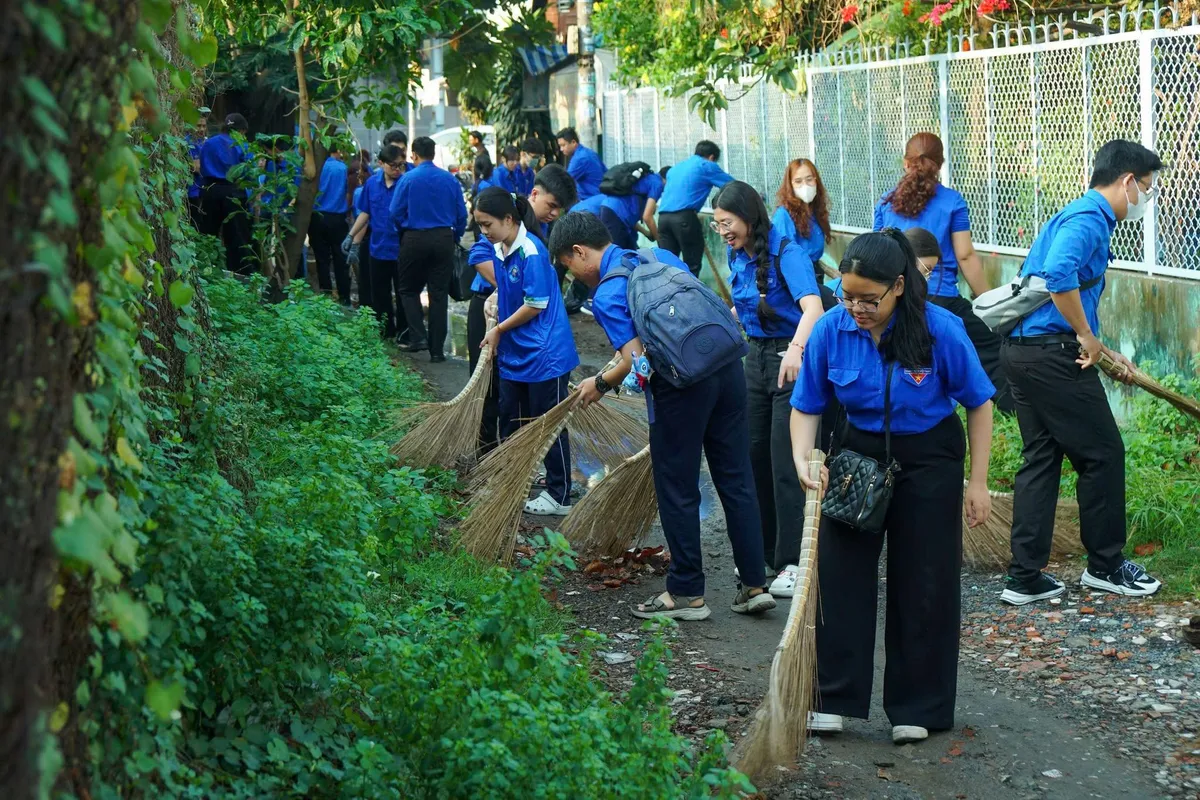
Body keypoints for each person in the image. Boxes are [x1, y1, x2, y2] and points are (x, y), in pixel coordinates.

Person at [789, 229, 995, 745]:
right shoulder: (832, 329)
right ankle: (833, 698)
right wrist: (801, 458)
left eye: (868, 298)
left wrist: (978, 483)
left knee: (924, 580)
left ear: (898, 287)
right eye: (847, 295)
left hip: (929, 458)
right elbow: (807, 404)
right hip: (857, 454)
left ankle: (917, 706)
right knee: (841, 574)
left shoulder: (940, 330)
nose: (856, 307)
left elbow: (979, 403)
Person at [549, 211, 777, 620]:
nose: (574, 276)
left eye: (569, 266)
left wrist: (606, 383)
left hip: (683, 387)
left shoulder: (607, 292)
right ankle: (755, 584)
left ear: (580, 252)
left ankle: (687, 593)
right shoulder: (660, 256)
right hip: (727, 368)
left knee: (677, 487)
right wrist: (605, 380)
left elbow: (637, 363)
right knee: (737, 478)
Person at [1000, 140, 1162, 605]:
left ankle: (1024, 576)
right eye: (1145, 189)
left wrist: (1105, 350)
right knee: (1104, 454)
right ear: (1127, 181)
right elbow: (1059, 275)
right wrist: (1086, 336)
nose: (1144, 200)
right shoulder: (1090, 219)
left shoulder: (1075, 214)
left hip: (1024, 352)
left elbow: (1067, 290)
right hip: (1052, 358)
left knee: (1043, 458)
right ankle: (1107, 566)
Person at [712, 180, 824, 596]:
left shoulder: (787, 252)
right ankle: (764, 555)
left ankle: (794, 562)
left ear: (748, 216)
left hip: (789, 361)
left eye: (728, 222)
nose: (723, 231)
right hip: (753, 360)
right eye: (717, 225)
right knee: (752, 456)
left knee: (784, 461)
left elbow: (813, 308)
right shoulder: (737, 252)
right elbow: (742, 306)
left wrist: (796, 350)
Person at [873, 132, 1010, 413]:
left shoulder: (885, 203)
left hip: (895, 300)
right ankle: (1012, 408)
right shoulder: (952, 201)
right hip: (942, 298)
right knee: (992, 347)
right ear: (941, 164)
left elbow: (878, 255)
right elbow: (965, 255)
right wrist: (989, 303)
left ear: (905, 163)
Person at [476, 188, 580, 515]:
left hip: (544, 354)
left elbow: (535, 304)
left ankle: (559, 494)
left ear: (509, 219)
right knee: (511, 418)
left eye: (487, 224)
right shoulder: (500, 247)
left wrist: (498, 329)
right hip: (515, 351)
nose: (483, 231)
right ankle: (514, 478)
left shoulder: (532, 251)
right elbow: (508, 290)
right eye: (479, 225)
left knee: (547, 423)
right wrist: (496, 306)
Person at [390, 136, 468, 362]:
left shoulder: (407, 179)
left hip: (414, 238)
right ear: (433, 154)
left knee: (407, 289)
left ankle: (418, 336)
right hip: (443, 237)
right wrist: (454, 236)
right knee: (439, 294)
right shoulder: (449, 180)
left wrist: (404, 231)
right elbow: (461, 215)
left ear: (413, 155)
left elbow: (395, 213)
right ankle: (437, 352)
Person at [347, 144, 406, 339]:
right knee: (380, 295)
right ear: (380, 163)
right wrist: (351, 237)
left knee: (403, 294)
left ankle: (404, 333)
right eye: (393, 166)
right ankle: (386, 332)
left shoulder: (405, 183)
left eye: (400, 165)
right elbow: (365, 212)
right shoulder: (372, 184)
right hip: (378, 248)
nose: (397, 169)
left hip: (401, 249)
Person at [657, 141, 735, 276]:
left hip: (663, 219)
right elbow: (733, 186)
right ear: (711, 157)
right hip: (684, 219)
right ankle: (690, 296)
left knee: (667, 265)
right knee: (691, 264)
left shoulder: (675, 168)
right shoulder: (706, 165)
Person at [772, 158, 834, 308]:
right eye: (798, 181)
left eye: (809, 179)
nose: (805, 185)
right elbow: (784, 258)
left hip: (814, 273)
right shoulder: (784, 215)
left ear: (816, 180)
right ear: (790, 185)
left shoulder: (815, 211)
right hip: (798, 279)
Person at [198, 113, 256, 274]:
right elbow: (250, 173)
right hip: (233, 191)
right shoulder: (242, 144)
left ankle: (205, 270)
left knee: (208, 233)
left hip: (211, 190)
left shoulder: (208, 143)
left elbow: (202, 168)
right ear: (241, 130)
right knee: (237, 237)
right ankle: (242, 274)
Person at [465, 237, 503, 454]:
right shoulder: (486, 245)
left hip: (517, 310)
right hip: (487, 307)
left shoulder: (532, 238)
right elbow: (478, 255)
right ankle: (485, 448)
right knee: (484, 380)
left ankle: (508, 451)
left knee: (505, 383)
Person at [571, 163, 664, 250]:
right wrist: (661, 242)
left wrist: (647, 233)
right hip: (599, 214)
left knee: (631, 253)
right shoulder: (657, 184)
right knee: (617, 254)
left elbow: (625, 216)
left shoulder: (644, 182)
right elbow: (647, 217)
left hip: (612, 214)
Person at [309, 145, 351, 304]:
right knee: (341, 259)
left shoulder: (314, 167)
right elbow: (348, 193)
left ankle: (326, 296)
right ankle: (344, 298)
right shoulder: (343, 168)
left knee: (322, 259)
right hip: (338, 218)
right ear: (338, 150)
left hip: (317, 218)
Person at [556, 127, 606, 201]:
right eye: (560, 146)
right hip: (601, 196)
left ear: (573, 142)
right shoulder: (589, 152)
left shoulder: (579, 159)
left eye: (563, 145)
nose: (561, 149)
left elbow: (563, 183)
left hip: (590, 199)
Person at [185, 117, 207, 230]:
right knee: (196, 224)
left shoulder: (206, 142)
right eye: (198, 126)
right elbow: (196, 168)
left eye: (204, 126)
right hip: (194, 190)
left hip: (205, 189)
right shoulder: (189, 142)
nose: (202, 129)